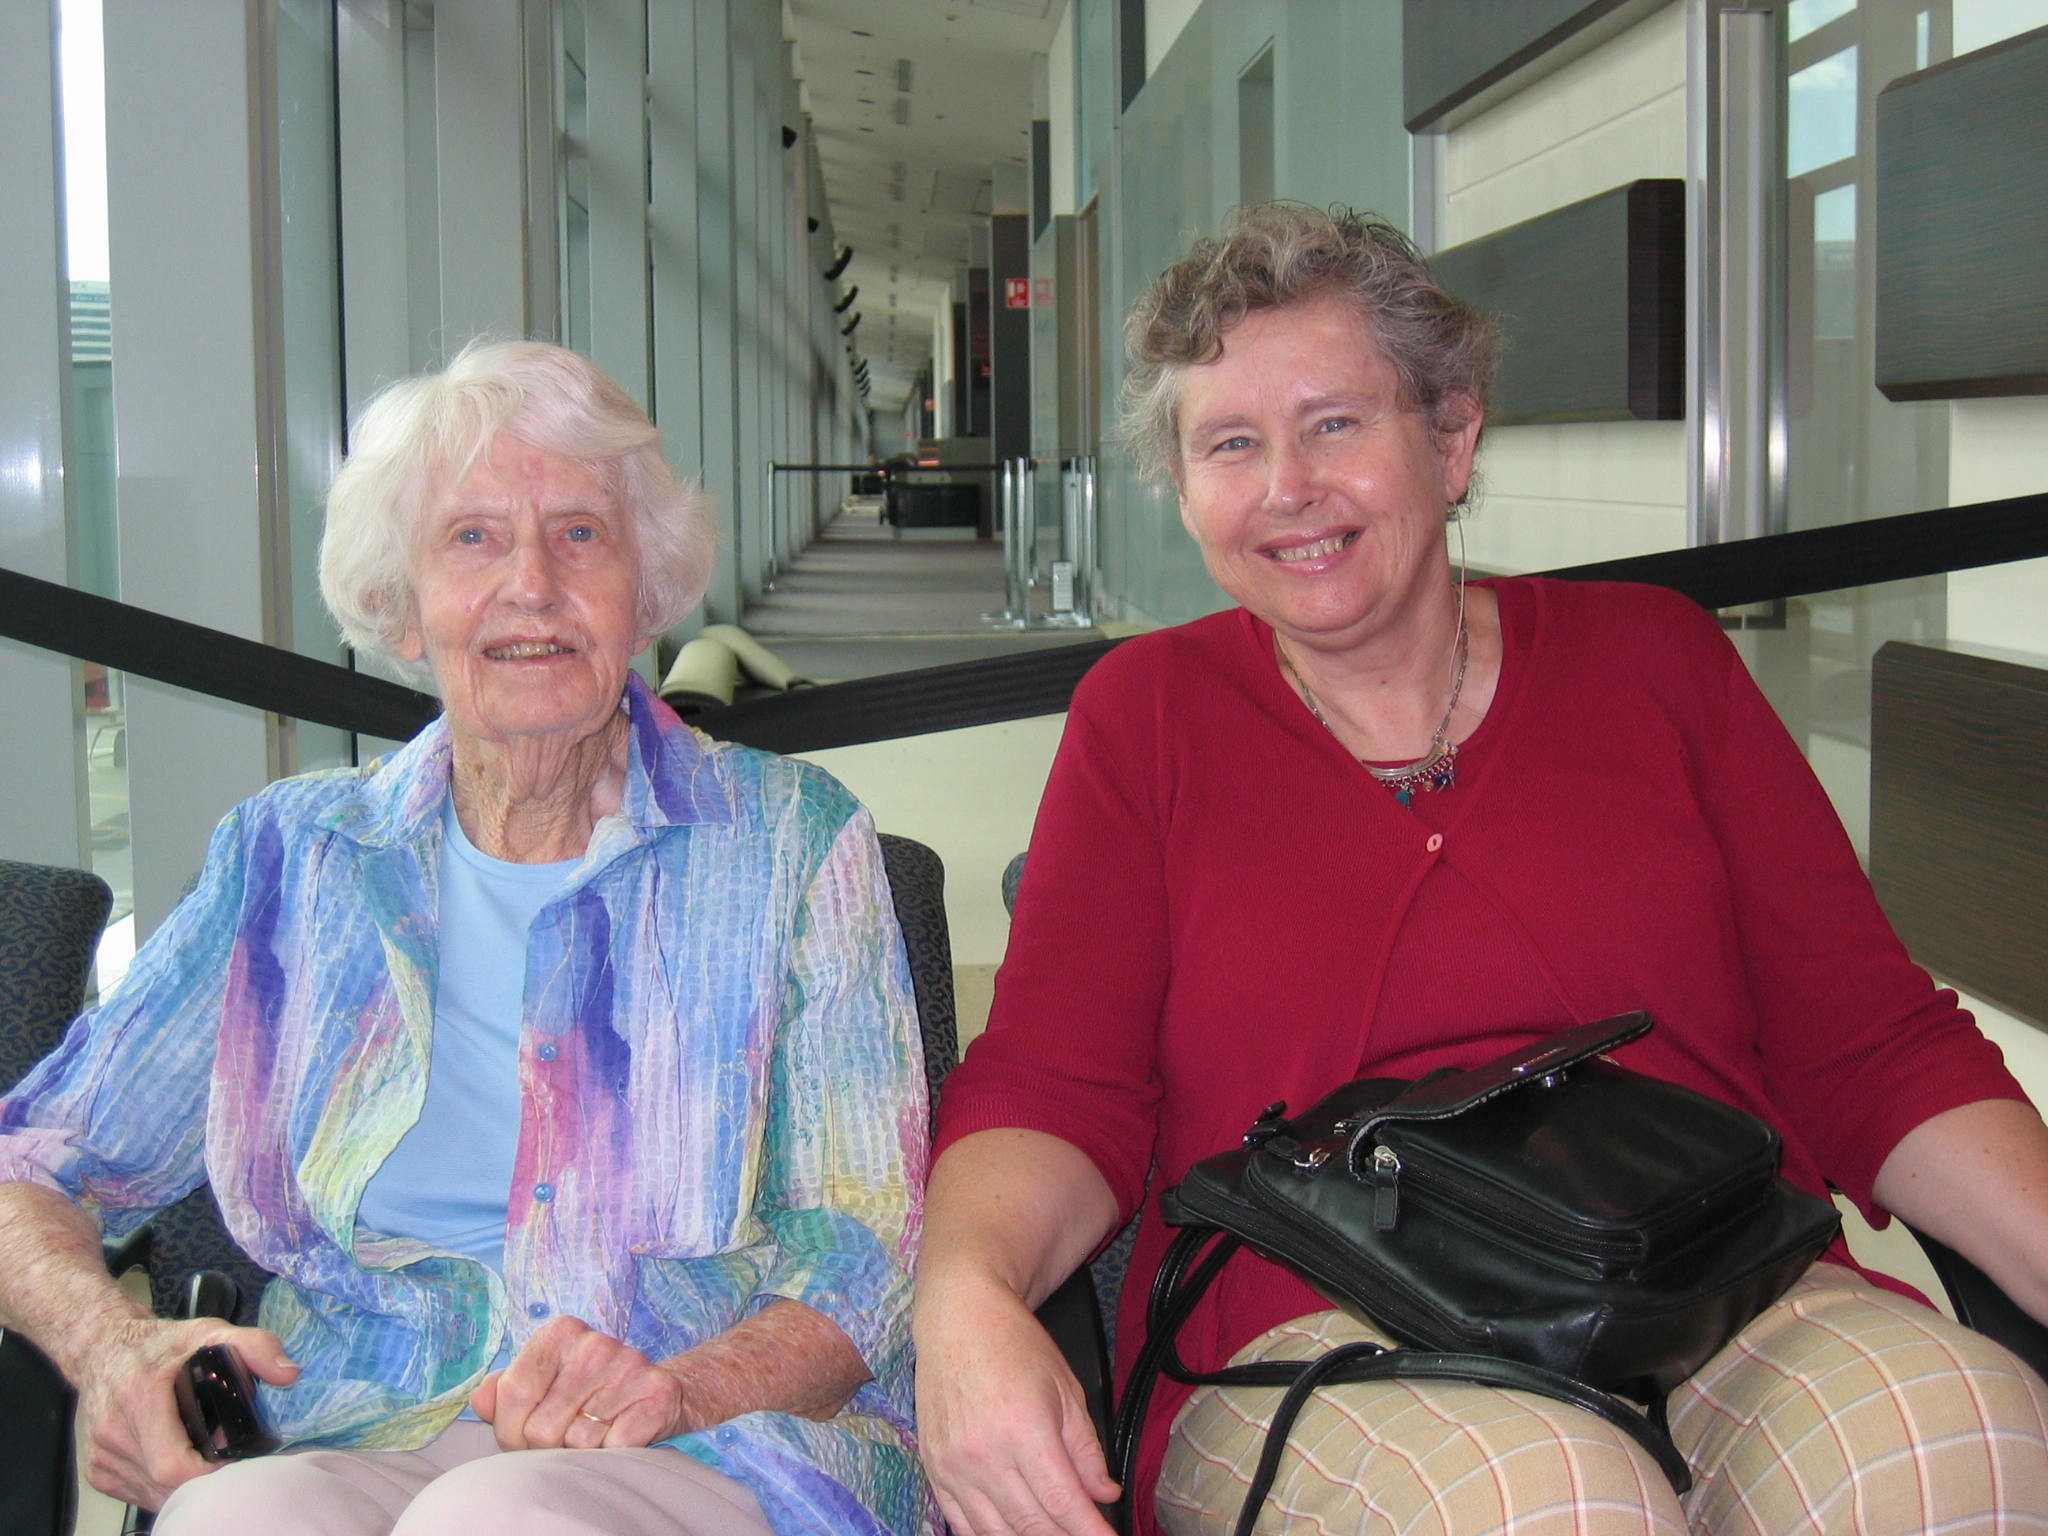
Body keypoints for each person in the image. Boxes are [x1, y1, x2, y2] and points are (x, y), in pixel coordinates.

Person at [911, 203, 2048, 1536]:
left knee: (1958, 1435)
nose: (1287, 487)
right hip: (1318, 1324)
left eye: (1337, 423)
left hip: (1704, 1278)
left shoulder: (1659, 666)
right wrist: (966, 1300)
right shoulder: (1148, 719)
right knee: (1548, 1503)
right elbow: (1058, 1083)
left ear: (1451, 438)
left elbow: (1869, 1043)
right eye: (1231, 444)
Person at [0, 341, 935, 1536]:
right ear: (400, 604)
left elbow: (867, 1247)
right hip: (358, 1420)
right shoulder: (292, 861)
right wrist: (111, 1345)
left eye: (581, 535)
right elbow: (32, 1159)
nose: (532, 585)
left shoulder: (790, 846)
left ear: (646, 587)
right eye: (473, 538)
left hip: (706, 1437)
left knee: (502, 1522)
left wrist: (672, 1385)